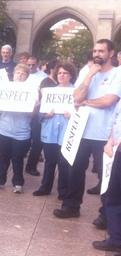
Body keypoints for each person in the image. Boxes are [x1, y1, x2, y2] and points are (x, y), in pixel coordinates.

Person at [54, 39, 121, 229]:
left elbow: (109, 100)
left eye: (101, 51)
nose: (97, 54)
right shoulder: (87, 72)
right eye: (95, 50)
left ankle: (106, 215)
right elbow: (76, 97)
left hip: (105, 134)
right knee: (74, 171)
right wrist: (90, 75)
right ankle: (71, 206)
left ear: (111, 53)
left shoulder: (118, 74)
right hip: (81, 132)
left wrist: (86, 102)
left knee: (105, 177)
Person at [32, 62, 76, 198]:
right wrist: (46, 114)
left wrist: (72, 116)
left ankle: (63, 191)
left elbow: (82, 114)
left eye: (65, 73)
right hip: (50, 131)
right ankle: (45, 187)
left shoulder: (76, 93)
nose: (61, 75)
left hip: (67, 133)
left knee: (64, 163)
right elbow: (40, 112)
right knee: (50, 160)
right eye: (59, 73)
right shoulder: (50, 92)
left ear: (71, 75)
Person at [0, 64, 34, 194]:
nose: (20, 75)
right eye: (18, 73)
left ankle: (18, 183)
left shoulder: (31, 90)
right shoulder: (4, 88)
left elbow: (32, 115)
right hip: (4, 130)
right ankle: (0, 180)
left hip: (21, 132)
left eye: (23, 74)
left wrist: (33, 105)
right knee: (3, 157)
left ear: (26, 77)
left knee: (17, 158)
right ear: (13, 74)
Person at [92, 99, 121, 256]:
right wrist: (109, 142)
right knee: (112, 195)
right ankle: (115, 239)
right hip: (116, 153)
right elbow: (115, 124)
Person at [24, 56, 48, 177]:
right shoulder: (23, 75)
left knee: (36, 137)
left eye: (33, 65)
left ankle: (32, 161)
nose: (31, 67)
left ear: (37, 64)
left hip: (36, 110)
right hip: (23, 110)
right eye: (29, 64)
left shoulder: (43, 77)